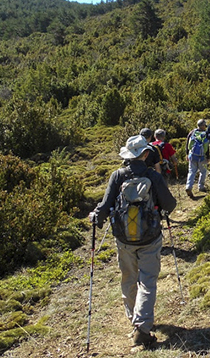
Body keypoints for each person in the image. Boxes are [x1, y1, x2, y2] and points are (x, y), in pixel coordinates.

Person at [88, 135, 176, 348]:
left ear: (128, 155)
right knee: (147, 281)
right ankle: (142, 328)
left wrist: (95, 218)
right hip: (150, 238)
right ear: (145, 154)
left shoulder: (117, 176)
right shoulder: (152, 176)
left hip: (124, 239)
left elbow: (105, 205)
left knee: (128, 278)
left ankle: (133, 320)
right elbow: (170, 204)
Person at [185, 119, 210, 197]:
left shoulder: (192, 133)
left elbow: (187, 144)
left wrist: (187, 154)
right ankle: (201, 186)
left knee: (191, 171)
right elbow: (207, 147)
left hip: (192, 155)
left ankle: (188, 186)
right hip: (202, 157)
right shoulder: (205, 134)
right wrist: (208, 157)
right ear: (202, 126)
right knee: (203, 171)